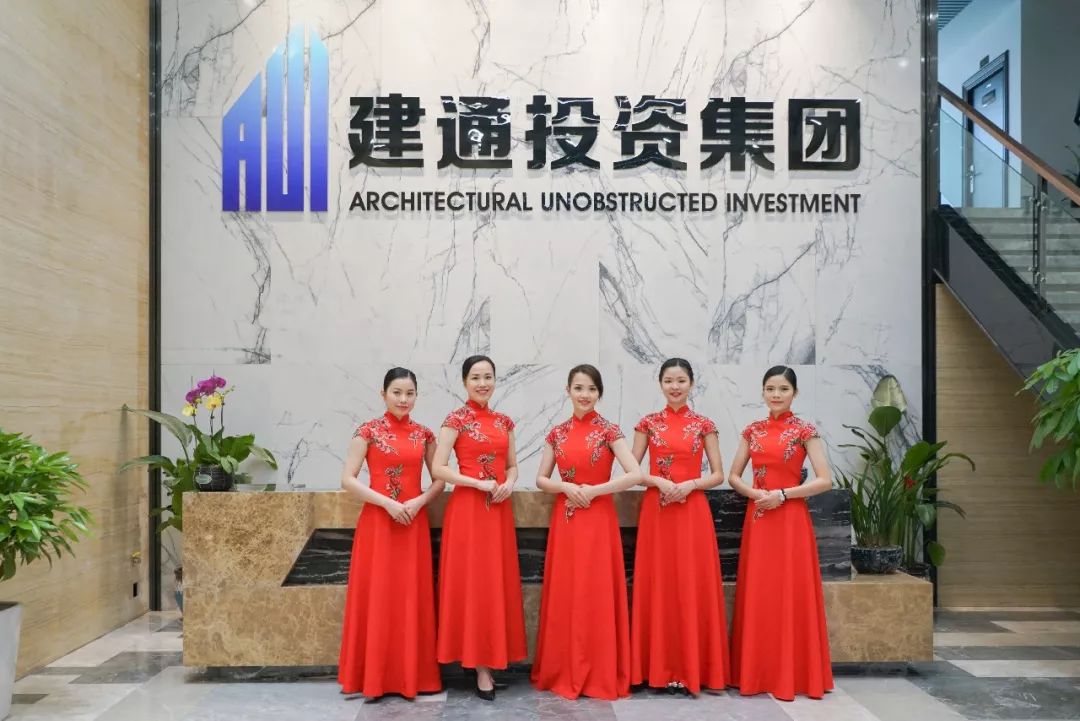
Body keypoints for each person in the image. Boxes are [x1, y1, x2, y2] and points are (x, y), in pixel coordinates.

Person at [530, 364, 642, 700]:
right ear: (568, 391)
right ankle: (565, 668)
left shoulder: (609, 431)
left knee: (595, 591)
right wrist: (566, 486)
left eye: (592, 389)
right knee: (568, 591)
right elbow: (541, 479)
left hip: (598, 519)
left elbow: (635, 474)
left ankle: (598, 670)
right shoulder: (557, 433)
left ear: (599, 393)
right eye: (579, 388)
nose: (585, 394)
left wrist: (594, 491)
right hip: (567, 520)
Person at [728, 365, 834, 700]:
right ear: (762, 392)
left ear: (795, 393)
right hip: (759, 516)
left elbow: (825, 480)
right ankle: (757, 672)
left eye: (784, 389)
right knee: (760, 591)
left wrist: (784, 495)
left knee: (789, 590)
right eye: (771, 389)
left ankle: (793, 674)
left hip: (790, 519)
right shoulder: (752, 431)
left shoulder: (805, 431)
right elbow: (733, 476)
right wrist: (754, 493)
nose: (776, 395)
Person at [338, 367, 444, 700]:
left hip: (412, 522)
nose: (403, 399)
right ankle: (374, 679)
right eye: (397, 393)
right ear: (383, 394)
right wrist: (387, 503)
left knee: (410, 596)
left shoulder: (425, 435)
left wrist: (419, 501)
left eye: (410, 393)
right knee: (379, 596)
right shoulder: (367, 432)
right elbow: (348, 479)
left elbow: (439, 480)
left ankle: (413, 676)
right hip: (378, 524)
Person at [630, 358, 730, 695]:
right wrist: (658, 481)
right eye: (669, 381)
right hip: (657, 511)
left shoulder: (704, 425)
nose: (675, 387)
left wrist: (690, 485)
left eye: (681, 381)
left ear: (691, 384)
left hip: (692, 510)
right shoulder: (647, 424)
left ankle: (692, 669)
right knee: (658, 583)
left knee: (691, 583)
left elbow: (718, 474)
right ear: (660, 384)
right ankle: (656, 669)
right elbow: (633, 470)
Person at [432, 355, 527, 701]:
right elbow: (438, 468)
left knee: (494, 583)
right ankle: (480, 667)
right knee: (473, 584)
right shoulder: (454, 420)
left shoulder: (504, 422)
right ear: (464, 382)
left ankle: (491, 656)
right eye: (475, 377)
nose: (483, 383)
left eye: (488, 377)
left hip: (498, 511)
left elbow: (512, 466)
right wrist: (476, 483)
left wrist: (509, 483)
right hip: (468, 512)